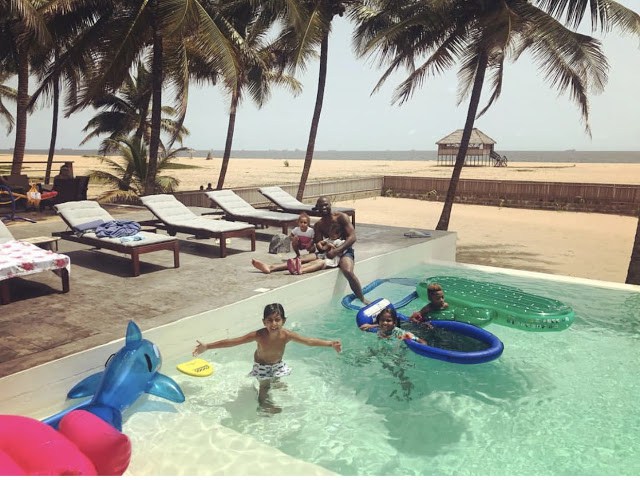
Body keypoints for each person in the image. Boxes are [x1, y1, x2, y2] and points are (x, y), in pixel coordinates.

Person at [192, 303, 341, 412]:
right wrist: (208, 346)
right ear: (264, 322)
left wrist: (330, 344)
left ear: (284, 320)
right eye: (269, 320)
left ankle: (275, 382)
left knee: (276, 379)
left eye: (277, 320)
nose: (273, 324)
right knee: (265, 386)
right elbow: (234, 342)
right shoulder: (259, 335)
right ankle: (263, 406)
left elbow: (308, 341)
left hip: (277, 364)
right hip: (262, 366)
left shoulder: (287, 335)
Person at [359, 307, 427, 344]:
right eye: (382, 320)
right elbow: (381, 326)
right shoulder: (381, 329)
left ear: (394, 322)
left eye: (388, 321)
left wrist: (422, 347)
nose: (385, 323)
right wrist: (370, 326)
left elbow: (422, 341)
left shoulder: (399, 333)